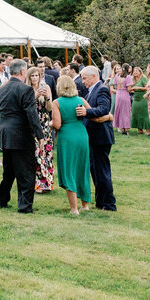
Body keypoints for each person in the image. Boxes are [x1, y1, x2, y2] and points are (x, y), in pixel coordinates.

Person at [0, 59, 45, 214]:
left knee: (8, 171)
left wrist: (0, 132)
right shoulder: (26, 90)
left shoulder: (1, 89)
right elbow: (32, 114)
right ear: (23, 72)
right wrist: (40, 135)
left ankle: (1, 200)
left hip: (5, 133)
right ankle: (24, 206)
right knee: (26, 172)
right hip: (21, 135)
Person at [51, 73, 91, 214]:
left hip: (67, 137)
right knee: (82, 168)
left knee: (69, 170)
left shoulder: (57, 103)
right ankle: (84, 205)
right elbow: (90, 112)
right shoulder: (80, 99)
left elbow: (57, 124)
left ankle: (74, 209)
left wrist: (48, 123)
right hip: (81, 135)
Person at [78, 66, 117, 210]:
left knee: (102, 171)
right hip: (93, 136)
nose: (83, 82)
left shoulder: (102, 89)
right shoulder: (91, 91)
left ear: (93, 76)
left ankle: (109, 203)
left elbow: (103, 109)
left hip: (101, 136)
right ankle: (100, 201)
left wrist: (85, 112)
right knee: (95, 171)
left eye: (84, 78)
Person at [27, 66, 56, 193]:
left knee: (45, 153)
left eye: (36, 75)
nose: (34, 78)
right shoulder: (27, 89)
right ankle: (35, 183)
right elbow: (26, 107)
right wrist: (34, 96)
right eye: (32, 76)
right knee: (34, 153)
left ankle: (45, 183)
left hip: (44, 123)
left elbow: (50, 109)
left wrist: (47, 98)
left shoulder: (46, 87)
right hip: (32, 123)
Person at [109, 63, 133, 134]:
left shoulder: (117, 76)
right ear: (127, 69)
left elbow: (115, 87)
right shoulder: (128, 77)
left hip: (118, 94)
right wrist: (134, 89)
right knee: (125, 112)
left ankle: (120, 127)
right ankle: (125, 129)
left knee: (118, 111)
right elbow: (129, 89)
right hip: (125, 94)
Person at [129, 66, 149, 135]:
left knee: (144, 113)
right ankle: (139, 129)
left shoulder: (143, 78)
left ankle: (147, 130)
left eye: (136, 71)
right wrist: (132, 89)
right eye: (134, 71)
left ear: (140, 72)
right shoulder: (133, 80)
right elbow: (130, 89)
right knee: (135, 113)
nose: (135, 72)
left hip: (142, 97)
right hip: (135, 98)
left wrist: (138, 88)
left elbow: (146, 88)